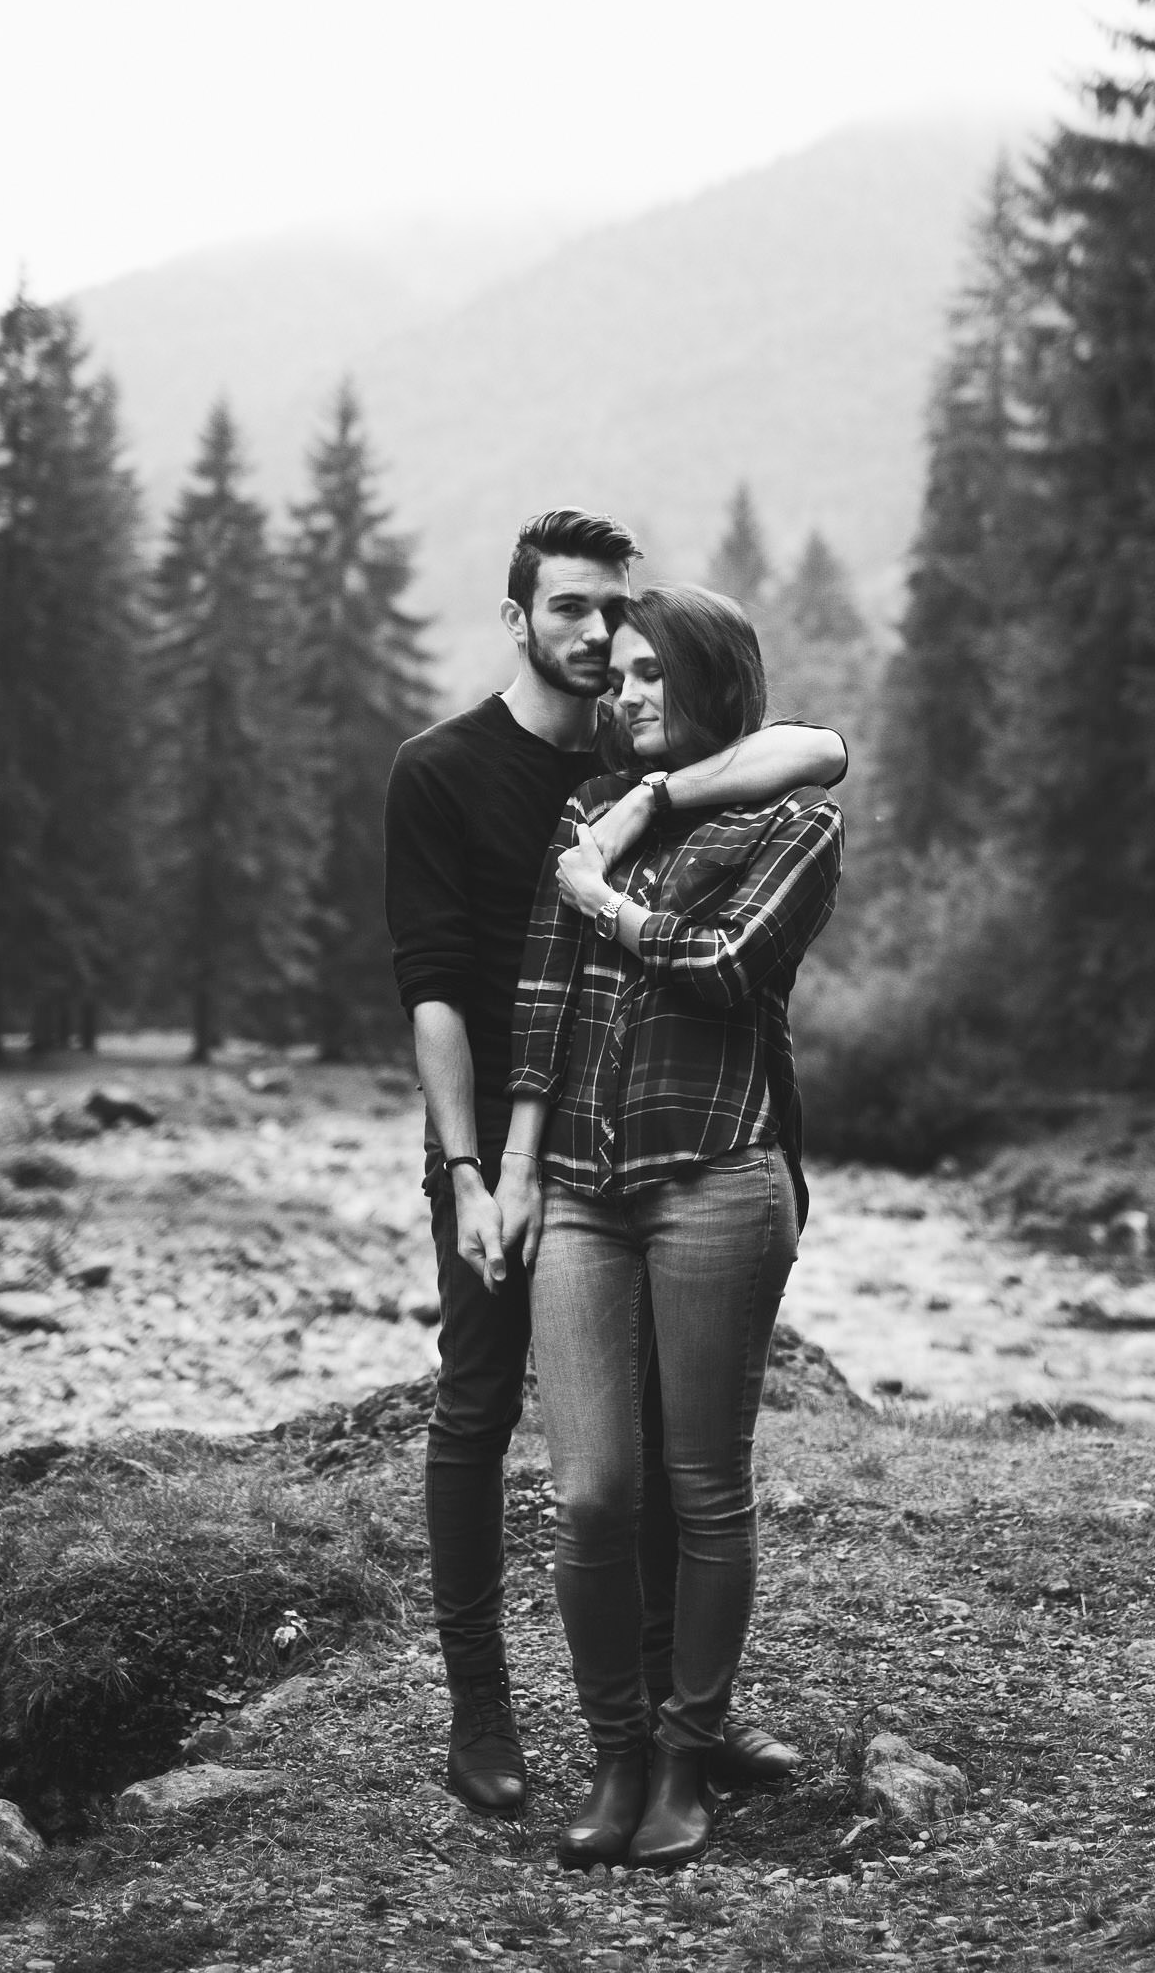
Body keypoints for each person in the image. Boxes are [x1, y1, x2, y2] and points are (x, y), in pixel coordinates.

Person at [383, 510, 846, 1817]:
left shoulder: (647, 769)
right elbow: (457, 995)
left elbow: (823, 750)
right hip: (514, 1133)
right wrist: (481, 1168)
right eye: (574, 612)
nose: (599, 640)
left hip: (675, 1140)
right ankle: (488, 1712)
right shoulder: (451, 770)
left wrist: (648, 802)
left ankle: (675, 1726)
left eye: (618, 619)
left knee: (669, 1453)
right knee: (484, 1409)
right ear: (519, 615)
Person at [501, 582, 844, 1871]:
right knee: (591, 1494)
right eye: (622, 676)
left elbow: (724, 964)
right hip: (584, 1190)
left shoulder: (794, 822)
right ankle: (617, 1756)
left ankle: (687, 1763)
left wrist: (609, 902)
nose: (628, 694)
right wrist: (517, 1169)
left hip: (715, 1176)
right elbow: (537, 1009)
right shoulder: (593, 815)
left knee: (704, 1487)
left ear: (712, 683)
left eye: (654, 676)